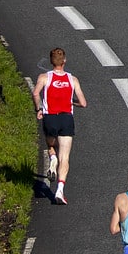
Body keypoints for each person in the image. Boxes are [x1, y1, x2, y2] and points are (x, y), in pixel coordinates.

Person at [31, 47, 87, 205]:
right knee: (65, 156)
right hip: (66, 118)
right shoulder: (72, 79)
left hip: (50, 118)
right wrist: (72, 102)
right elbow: (83, 103)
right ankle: (60, 190)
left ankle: (52, 157)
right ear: (64, 61)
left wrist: (39, 109)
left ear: (51, 61)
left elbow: (35, 93)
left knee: (51, 144)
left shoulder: (44, 77)